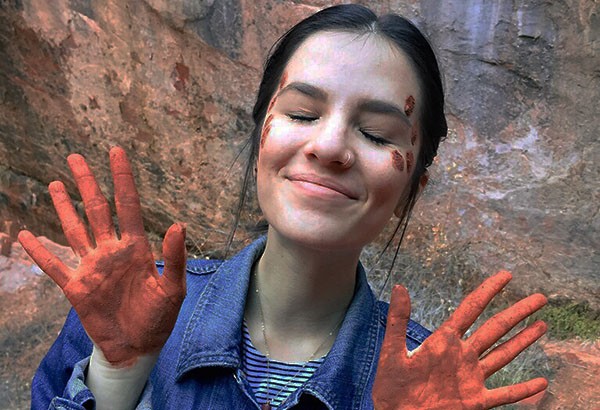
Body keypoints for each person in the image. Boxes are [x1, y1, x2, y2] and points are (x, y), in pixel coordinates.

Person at [20, 4, 549, 410]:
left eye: (374, 132)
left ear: (414, 184)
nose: (329, 146)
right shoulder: (128, 305)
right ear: (260, 139)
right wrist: (118, 375)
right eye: (301, 114)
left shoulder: (429, 380)